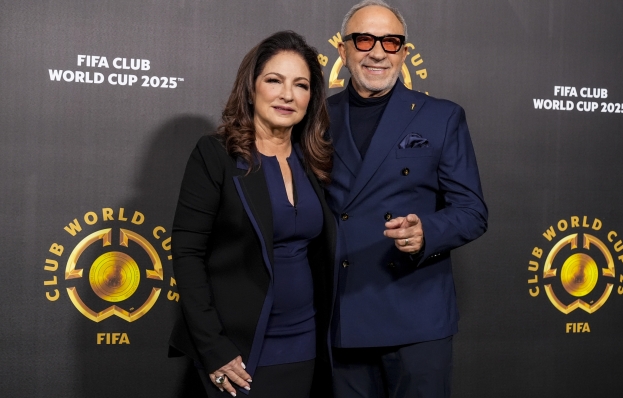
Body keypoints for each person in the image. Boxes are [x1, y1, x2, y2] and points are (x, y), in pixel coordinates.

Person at [325, 1, 488, 397]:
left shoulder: (441, 117)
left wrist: (426, 230)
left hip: (416, 318)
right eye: (364, 40)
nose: (378, 52)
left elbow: (472, 211)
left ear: (403, 51)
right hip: (342, 314)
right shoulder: (317, 117)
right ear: (343, 51)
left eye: (391, 42)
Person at [168, 31, 335, 398]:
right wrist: (214, 348)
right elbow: (187, 254)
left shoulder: (315, 162)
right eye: (274, 80)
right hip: (238, 348)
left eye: (301, 85)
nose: (287, 95)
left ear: (313, 97)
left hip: (304, 342)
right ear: (251, 87)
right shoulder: (215, 155)